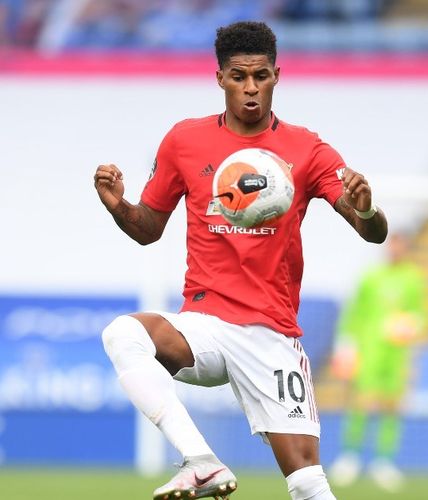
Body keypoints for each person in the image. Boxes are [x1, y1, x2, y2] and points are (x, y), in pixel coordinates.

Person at [93, 21, 387, 500]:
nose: (250, 88)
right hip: (204, 325)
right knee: (123, 333)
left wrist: (368, 206)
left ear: (277, 75)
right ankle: (202, 462)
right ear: (219, 78)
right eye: (238, 76)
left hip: (270, 333)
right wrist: (118, 206)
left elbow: (372, 233)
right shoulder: (184, 141)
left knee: (309, 483)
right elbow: (148, 229)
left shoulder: (308, 149)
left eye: (261, 76)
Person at [328, 232, 427, 492]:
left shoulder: (413, 278)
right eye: (392, 245)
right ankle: (350, 457)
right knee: (361, 401)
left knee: (392, 405)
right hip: (369, 349)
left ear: (405, 248)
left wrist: (410, 326)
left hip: (397, 353)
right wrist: (347, 345)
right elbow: (354, 312)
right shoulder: (371, 276)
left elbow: (419, 314)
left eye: (400, 245)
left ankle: (383, 461)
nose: (395, 250)